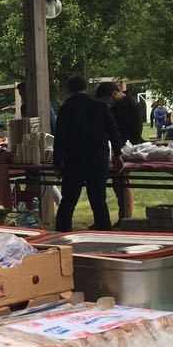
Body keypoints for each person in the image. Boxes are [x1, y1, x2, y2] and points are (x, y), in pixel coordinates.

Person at [54, 76, 123, 232]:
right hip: (98, 159)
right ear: (85, 87)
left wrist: (57, 163)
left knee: (68, 202)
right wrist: (117, 154)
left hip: (74, 160)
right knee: (99, 201)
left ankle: (62, 234)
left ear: (69, 90)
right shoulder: (101, 106)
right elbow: (113, 132)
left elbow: (60, 138)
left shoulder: (65, 108)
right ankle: (105, 233)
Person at [97, 82, 140, 224]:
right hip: (114, 147)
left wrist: (119, 147)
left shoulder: (132, 106)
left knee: (122, 182)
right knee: (117, 184)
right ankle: (122, 217)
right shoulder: (114, 107)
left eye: (106, 100)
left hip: (127, 148)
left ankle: (125, 217)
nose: (106, 104)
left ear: (114, 94)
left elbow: (134, 133)